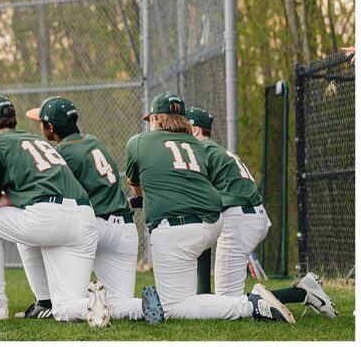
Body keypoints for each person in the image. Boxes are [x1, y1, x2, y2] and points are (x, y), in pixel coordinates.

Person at [125, 92, 294, 322]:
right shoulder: (196, 143)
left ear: (156, 119)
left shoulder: (138, 142)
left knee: (175, 307)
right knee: (194, 290)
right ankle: (226, 299)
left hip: (179, 227)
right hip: (214, 221)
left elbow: (138, 189)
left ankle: (252, 305)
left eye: (151, 119)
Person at [0, 95, 108, 326]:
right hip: (83, 219)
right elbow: (23, 196)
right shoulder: (38, 140)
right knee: (66, 307)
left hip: (47, 218)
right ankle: (106, 304)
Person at [185, 106, 336, 317]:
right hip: (250, 215)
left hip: (238, 218)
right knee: (227, 302)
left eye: (182, 128)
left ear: (194, 130)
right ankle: (301, 291)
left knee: (227, 305)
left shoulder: (199, 150)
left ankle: (301, 292)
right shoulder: (216, 149)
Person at [19, 96, 160, 323]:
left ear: (50, 127)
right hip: (124, 229)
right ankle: (144, 306)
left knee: (63, 307)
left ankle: (50, 303)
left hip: (93, 228)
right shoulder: (94, 141)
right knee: (119, 303)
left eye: (41, 122)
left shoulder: (62, 153)